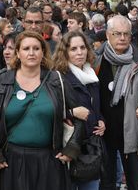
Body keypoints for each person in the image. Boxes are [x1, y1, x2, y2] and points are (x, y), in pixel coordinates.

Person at [0, 31, 86, 190]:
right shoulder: (2, 80)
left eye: (36, 48)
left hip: (50, 161)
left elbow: (81, 115)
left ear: (43, 52)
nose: (31, 53)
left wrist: (72, 148)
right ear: (17, 53)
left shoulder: (57, 80)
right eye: (26, 49)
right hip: (12, 161)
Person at [94, 15, 138, 190]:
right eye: (117, 34)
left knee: (135, 184)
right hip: (103, 134)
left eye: (126, 34)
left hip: (131, 133)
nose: (122, 38)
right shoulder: (95, 60)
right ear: (108, 35)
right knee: (107, 183)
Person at [53, 31, 106, 190]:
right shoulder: (58, 78)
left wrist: (102, 120)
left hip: (90, 148)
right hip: (67, 147)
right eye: (73, 49)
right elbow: (49, 109)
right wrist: (71, 113)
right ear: (65, 52)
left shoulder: (91, 76)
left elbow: (95, 106)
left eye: (82, 47)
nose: (79, 52)